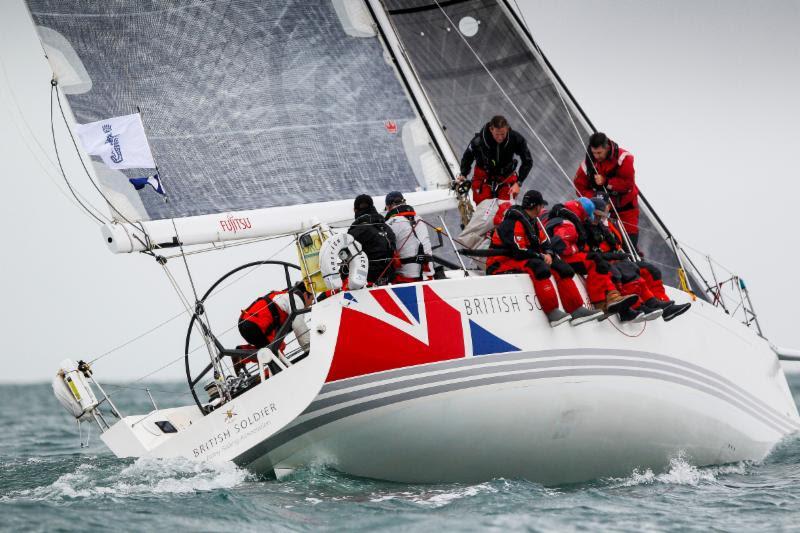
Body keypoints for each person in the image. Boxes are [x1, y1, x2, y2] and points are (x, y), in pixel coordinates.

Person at [486, 190, 601, 327]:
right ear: (537, 206)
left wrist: (548, 254)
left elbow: (546, 243)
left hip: (520, 258)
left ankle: (576, 309)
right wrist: (541, 256)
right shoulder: (513, 222)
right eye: (541, 205)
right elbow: (518, 250)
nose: (541, 208)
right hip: (500, 262)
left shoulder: (533, 223)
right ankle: (552, 312)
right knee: (538, 267)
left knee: (562, 267)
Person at [583, 198, 691, 322]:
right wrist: (614, 257)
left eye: (603, 215)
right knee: (628, 271)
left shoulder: (605, 227)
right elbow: (589, 253)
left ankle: (663, 305)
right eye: (598, 215)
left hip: (615, 259)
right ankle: (639, 306)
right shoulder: (585, 228)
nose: (600, 218)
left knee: (651, 270)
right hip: (605, 262)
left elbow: (616, 245)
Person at [573, 132, 640, 250]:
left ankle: (632, 258)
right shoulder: (588, 164)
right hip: (601, 212)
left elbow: (628, 185)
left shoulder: (624, 158)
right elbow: (579, 186)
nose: (596, 156)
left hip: (626, 209)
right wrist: (597, 201)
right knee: (603, 241)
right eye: (594, 153)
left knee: (629, 244)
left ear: (607, 147)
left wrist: (606, 182)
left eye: (599, 153)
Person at [456, 115, 533, 205]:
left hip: (506, 178)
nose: (500, 138)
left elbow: (527, 161)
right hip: (483, 179)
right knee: (483, 209)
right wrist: (463, 174)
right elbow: (467, 156)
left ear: (507, 129)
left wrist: (518, 183)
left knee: (505, 210)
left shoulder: (516, 139)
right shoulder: (478, 141)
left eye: (503, 134)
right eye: (497, 134)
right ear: (491, 129)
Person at [383, 191, 446, 283]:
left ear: (389, 207)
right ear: (404, 202)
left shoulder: (390, 224)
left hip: (406, 279)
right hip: (428, 276)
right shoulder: (419, 218)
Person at [238, 282, 313, 350]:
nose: (311, 304)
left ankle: (241, 354)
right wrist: (308, 348)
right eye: (312, 300)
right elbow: (298, 324)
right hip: (257, 325)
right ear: (306, 295)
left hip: (245, 322)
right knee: (276, 351)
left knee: (267, 353)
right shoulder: (297, 299)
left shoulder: (283, 295)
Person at [349, 194, 397, 285]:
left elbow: (347, 256)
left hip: (367, 280)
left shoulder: (356, 230)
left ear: (355, 210)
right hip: (390, 277)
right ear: (372, 207)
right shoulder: (387, 227)